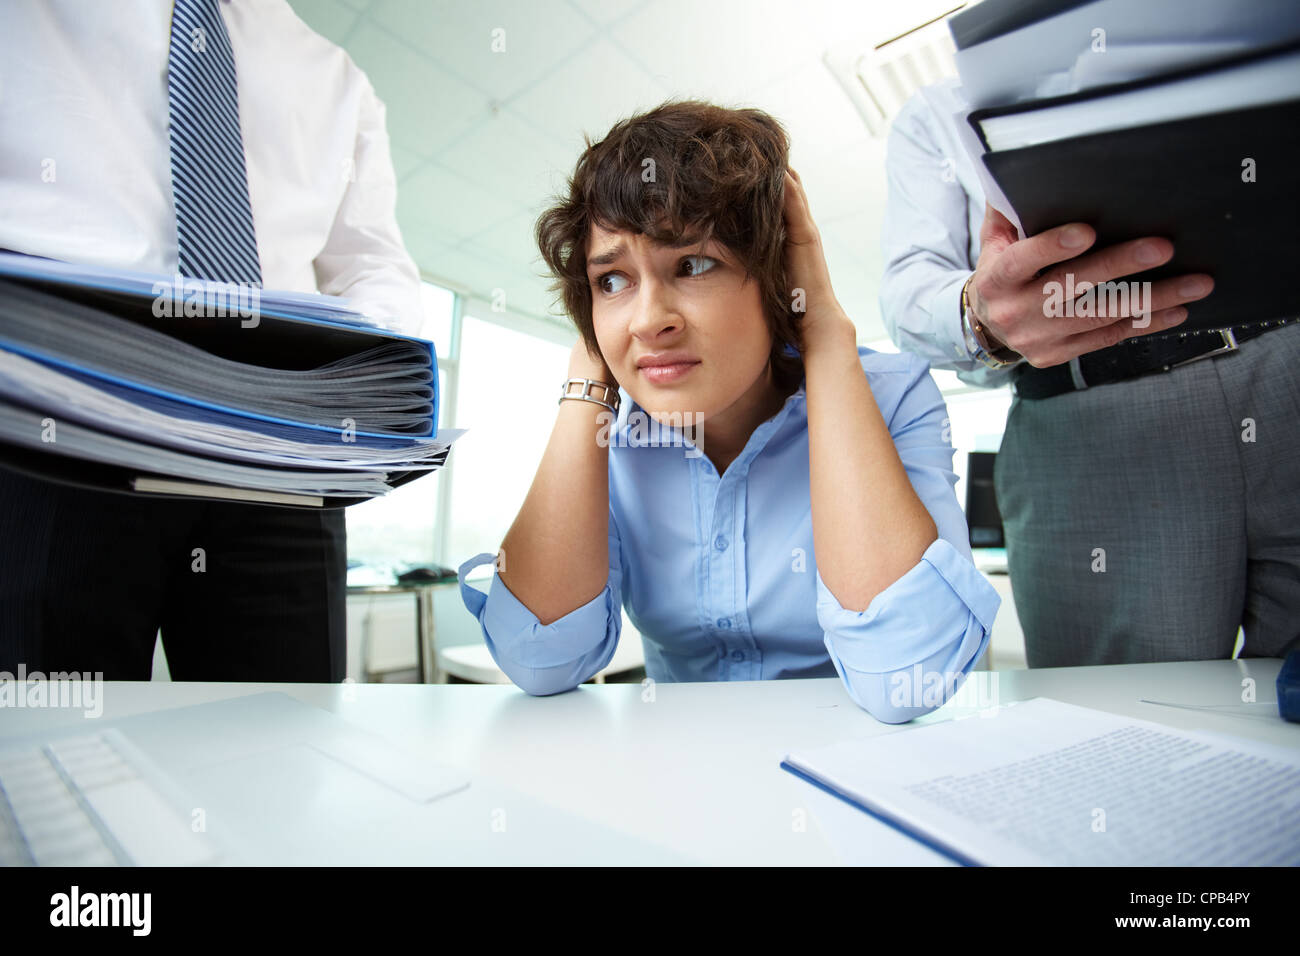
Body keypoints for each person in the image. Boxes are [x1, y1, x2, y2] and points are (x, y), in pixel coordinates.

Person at [457, 101, 1000, 723]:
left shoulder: (890, 396)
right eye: (611, 280)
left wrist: (822, 332)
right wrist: (587, 379)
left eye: (693, 264)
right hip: (676, 776)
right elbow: (540, 661)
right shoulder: (612, 429)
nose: (646, 320)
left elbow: (907, 678)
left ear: (775, 278)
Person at [0, 0, 422, 680]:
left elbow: (373, 263)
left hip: (274, 444)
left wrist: (343, 379)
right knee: (48, 738)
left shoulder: (338, 78)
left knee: (283, 737)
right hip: (58, 411)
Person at [880, 79, 1300, 667]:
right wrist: (981, 315)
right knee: (1127, 725)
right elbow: (907, 295)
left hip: (1287, 359)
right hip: (1093, 422)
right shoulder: (936, 112)